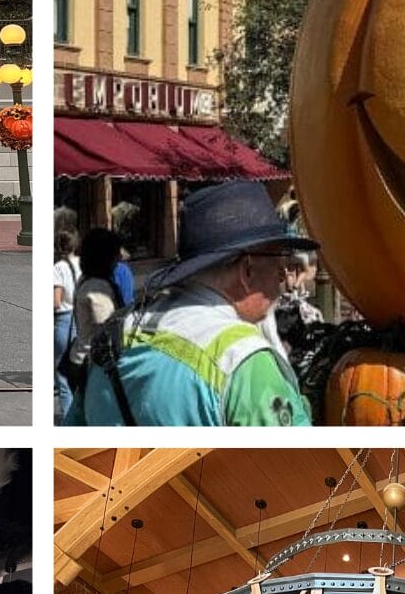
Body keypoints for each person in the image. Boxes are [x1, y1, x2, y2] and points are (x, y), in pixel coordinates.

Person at [79, 181, 316, 427]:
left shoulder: (115, 332)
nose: (283, 274)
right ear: (247, 270)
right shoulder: (242, 359)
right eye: (279, 260)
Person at [64, 227, 125, 409]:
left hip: (82, 359)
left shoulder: (86, 279)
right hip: (92, 364)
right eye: (116, 254)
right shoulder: (97, 287)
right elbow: (108, 327)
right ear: (105, 256)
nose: (119, 259)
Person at [52, 231, 79, 420]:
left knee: (63, 375)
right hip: (82, 320)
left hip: (65, 320)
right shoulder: (83, 264)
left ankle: (69, 421)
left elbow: (56, 300)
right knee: (79, 373)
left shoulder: (59, 267)